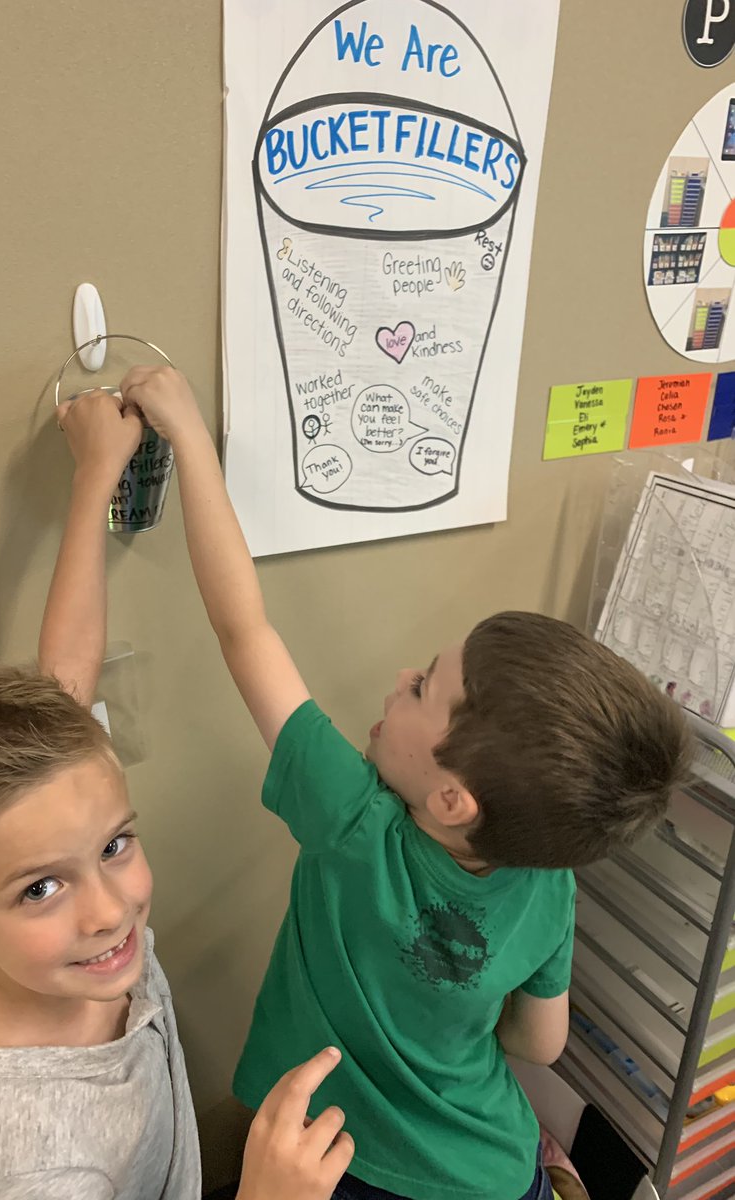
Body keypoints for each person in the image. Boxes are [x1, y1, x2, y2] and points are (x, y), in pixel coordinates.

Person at [120, 365, 692, 1200]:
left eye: (424, 685)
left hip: (348, 1169)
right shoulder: (550, 878)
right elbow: (539, 1044)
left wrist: (191, 441)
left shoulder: (353, 822)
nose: (399, 677)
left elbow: (243, 630)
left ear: (454, 800)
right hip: (495, 1170)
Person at [0, 389, 353, 1200]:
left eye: (116, 845)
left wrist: (95, 477)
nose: (109, 910)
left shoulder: (59, 950)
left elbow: (66, 678)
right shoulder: (30, 1168)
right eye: (41, 887)